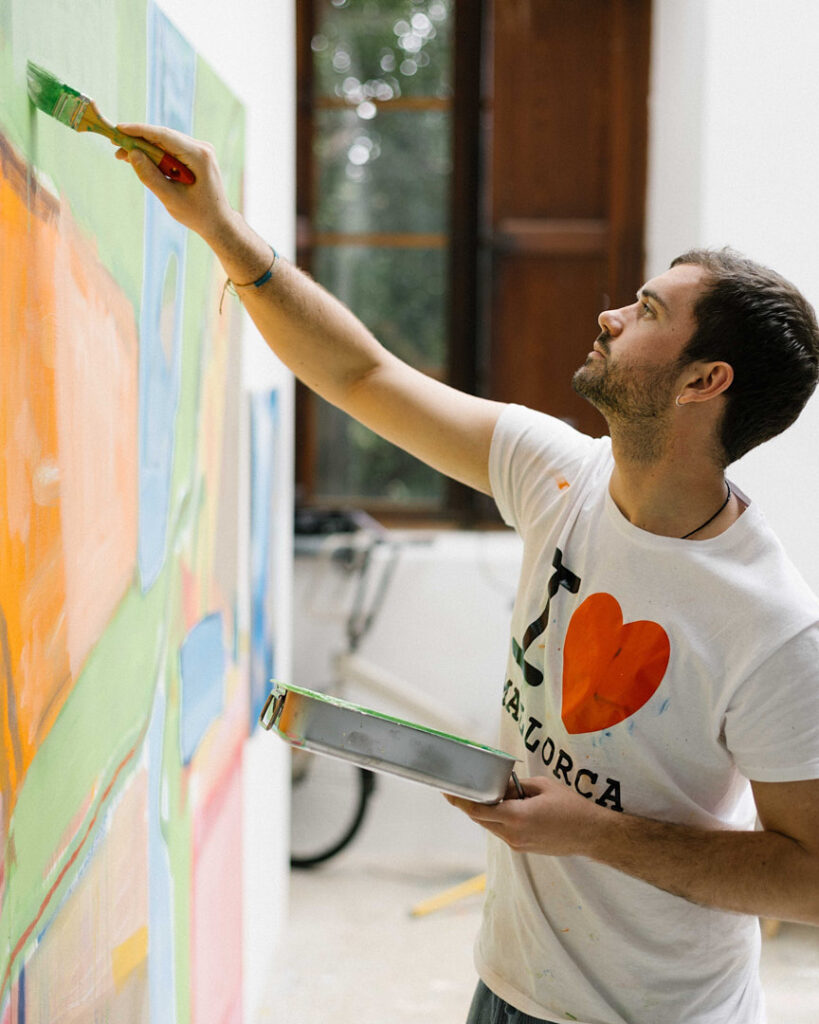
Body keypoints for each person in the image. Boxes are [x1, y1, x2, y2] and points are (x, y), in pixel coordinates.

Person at [117, 125, 819, 1024]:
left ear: (702, 381)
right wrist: (218, 226)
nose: (610, 315)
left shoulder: (772, 628)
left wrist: (590, 833)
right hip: (506, 987)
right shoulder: (556, 470)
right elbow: (361, 372)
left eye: (646, 311)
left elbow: (807, 878)